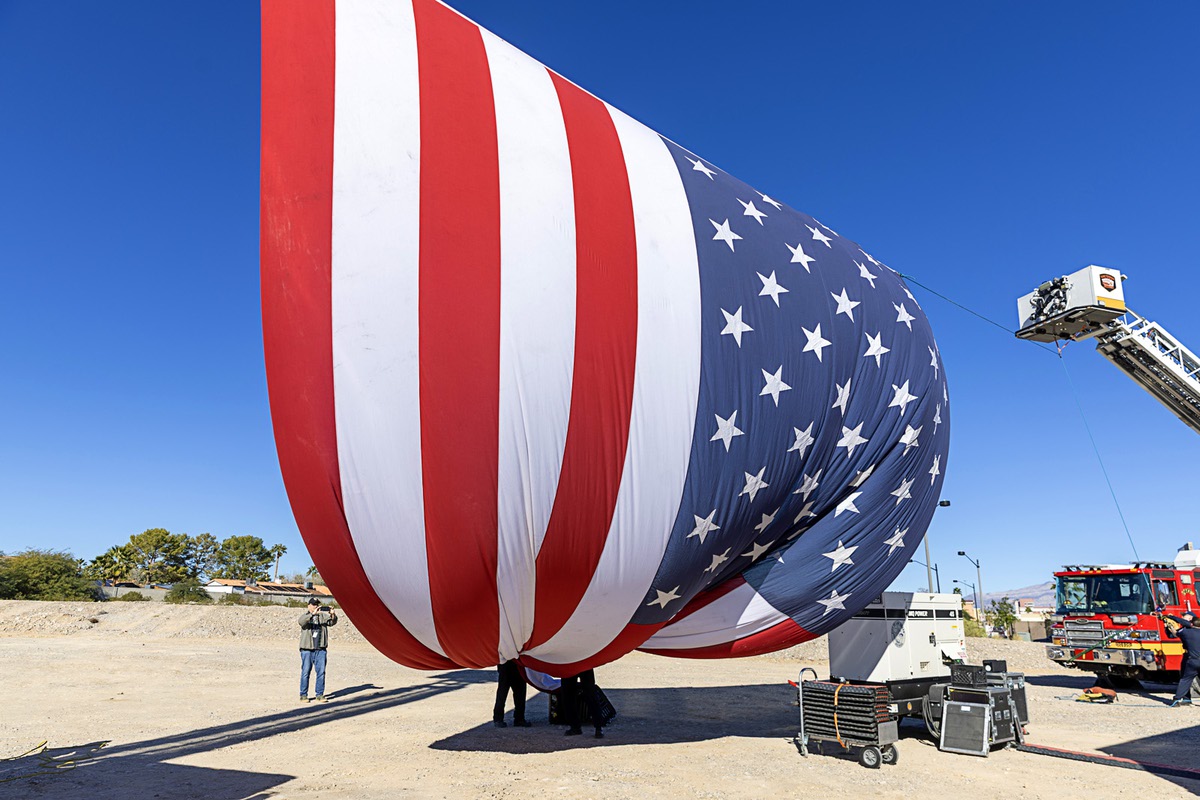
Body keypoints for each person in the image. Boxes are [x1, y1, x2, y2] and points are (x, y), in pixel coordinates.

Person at [299, 597, 338, 702]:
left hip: (320, 649)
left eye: (317, 605)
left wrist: (332, 614)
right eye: (313, 605)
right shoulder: (306, 616)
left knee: (321, 673)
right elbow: (301, 622)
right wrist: (312, 614)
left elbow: (332, 622)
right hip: (307, 649)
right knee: (305, 672)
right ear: (309, 606)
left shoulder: (322, 616)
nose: (315, 606)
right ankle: (303, 695)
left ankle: (319, 694)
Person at [1161, 610, 1200, 707]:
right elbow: (1171, 635)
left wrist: (1170, 619)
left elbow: (1175, 633)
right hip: (1188, 656)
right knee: (1185, 677)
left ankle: (1177, 699)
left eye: (1184, 616)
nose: (1182, 618)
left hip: (1192, 658)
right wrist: (1167, 625)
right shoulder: (1185, 630)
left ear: (1191, 619)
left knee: (1185, 678)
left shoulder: (1186, 631)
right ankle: (1186, 699)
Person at [561, 668, 604, 738]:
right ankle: (598, 728)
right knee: (590, 694)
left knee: (569, 695)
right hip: (582, 662)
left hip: (569, 663)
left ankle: (575, 727)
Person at [493, 659, 530, 728]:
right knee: (503, 694)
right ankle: (498, 719)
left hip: (517, 666)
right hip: (507, 666)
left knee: (519, 694)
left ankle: (519, 719)